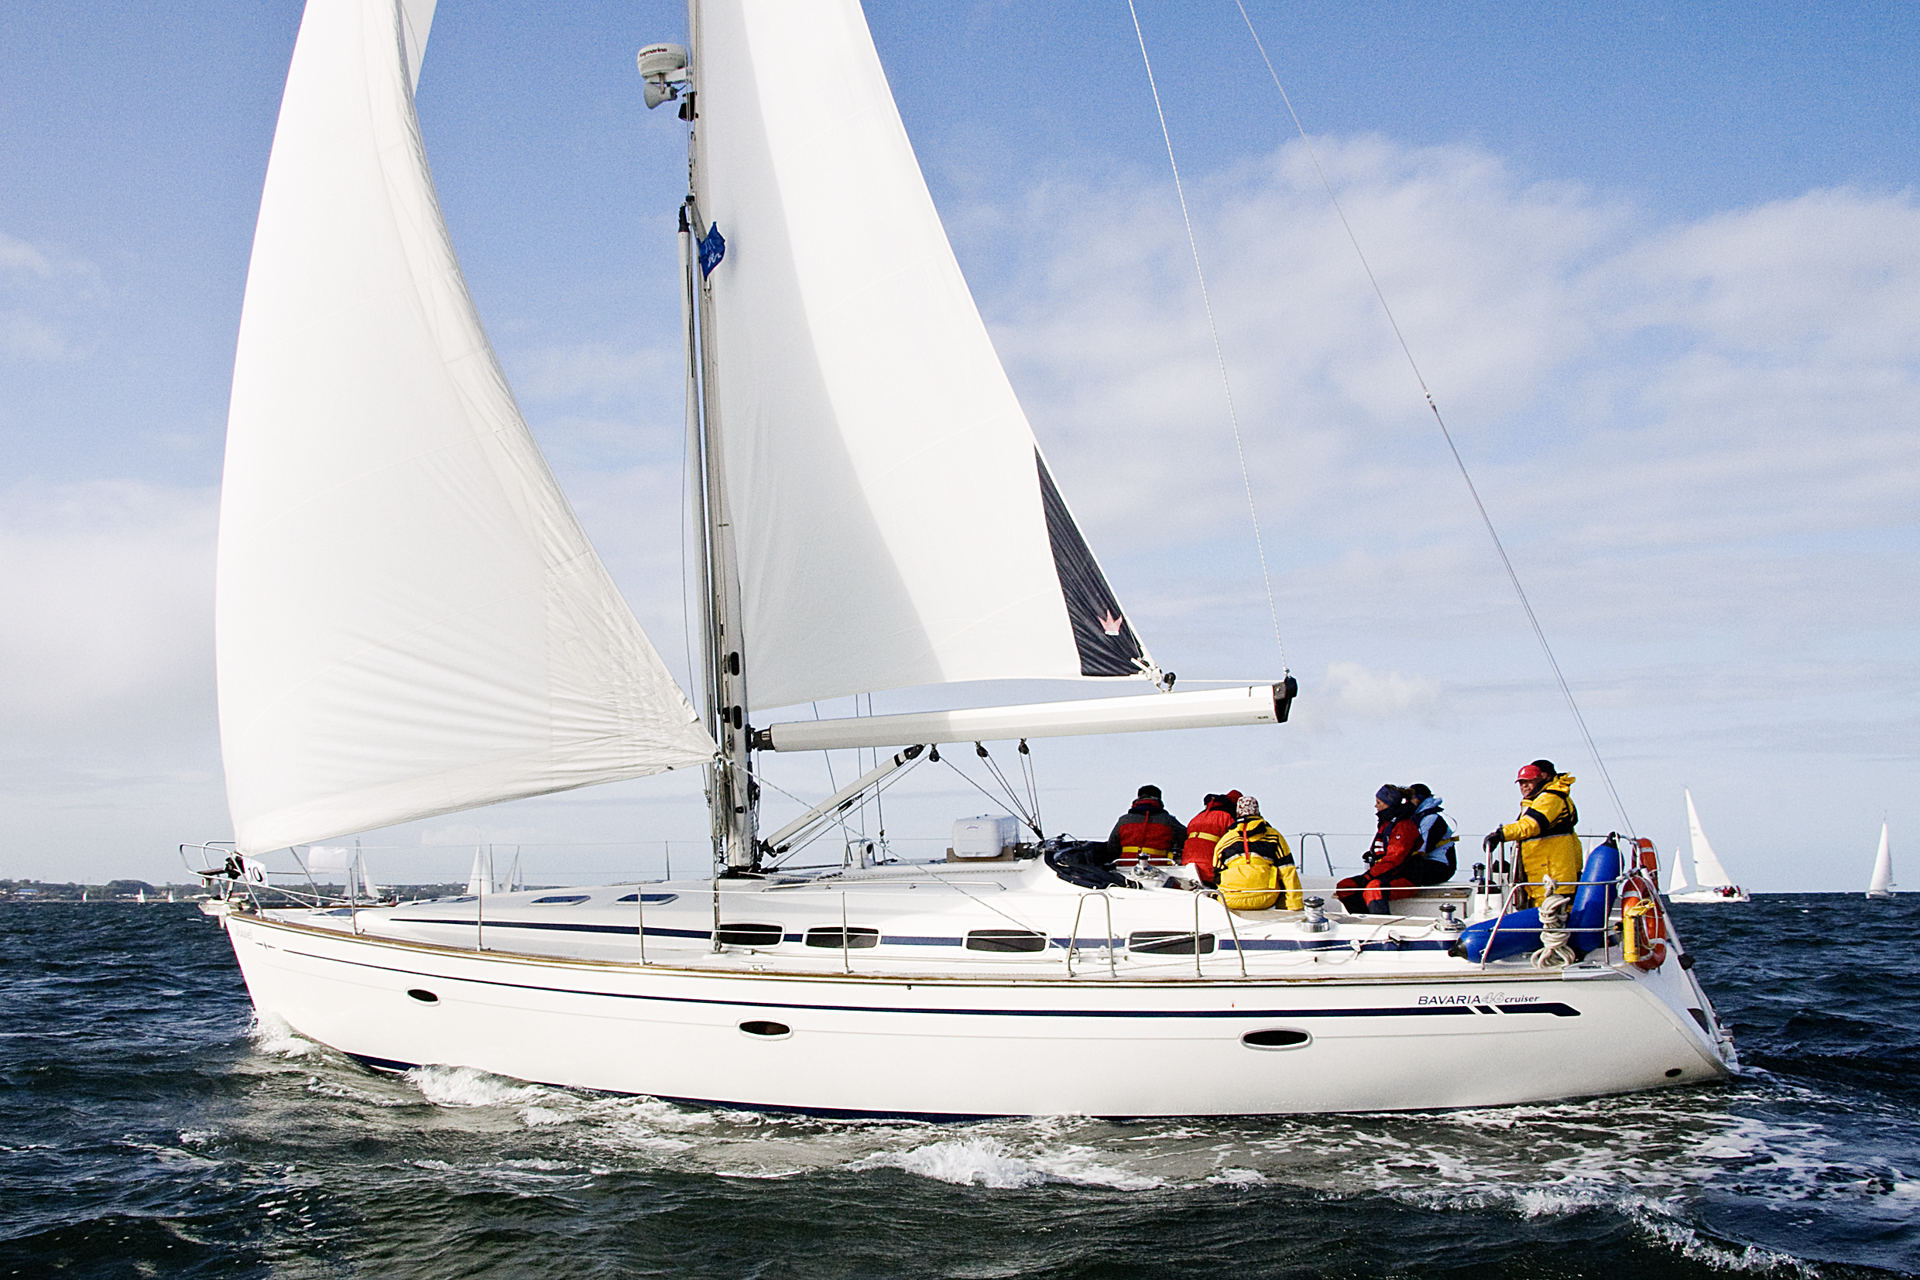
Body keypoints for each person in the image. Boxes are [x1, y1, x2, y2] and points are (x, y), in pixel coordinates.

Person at [1482, 760, 1582, 906]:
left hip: (1552, 875)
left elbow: (1531, 825)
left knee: (1554, 913)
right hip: (1543, 874)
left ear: (1542, 777)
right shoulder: (1542, 798)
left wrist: (1501, 834)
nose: (1524, 786)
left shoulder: (1550, 798)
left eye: (1529, 781)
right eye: (1521, 782)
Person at [1336, 784, 1425, 914]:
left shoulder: (1403, 826)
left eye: (1378, 802)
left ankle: (1379, 926)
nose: (1375, 806)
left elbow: (1394, 859)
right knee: (1345, 886)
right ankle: (1362, 920)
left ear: (1388, 804)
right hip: (1383, 874)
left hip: (1405, 877)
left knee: (1374, 888)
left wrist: (1367, 877)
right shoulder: (1387, 823)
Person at [1213, 794, 1303, 910]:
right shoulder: (1274, 836)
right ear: (1258, 812)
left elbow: (1216, 874)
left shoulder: (1226, 839)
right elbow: (1288, 871)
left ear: (1237, 813)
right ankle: (1284, 909)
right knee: (1280, 879)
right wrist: (1296, 906)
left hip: (1230, 899)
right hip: (1265, 898)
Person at [1107, 784, 1186, 866]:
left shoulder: (1124, 820)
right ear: (1159, 799)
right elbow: (1185, 839)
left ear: (1138, 798)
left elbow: (1112, 847)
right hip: (1159, 867)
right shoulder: (1169, 821)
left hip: (1125, 866)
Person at [1180, 791, 1240, 885]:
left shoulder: (1196, 818)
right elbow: (1238, 840)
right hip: (1210, 870)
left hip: (1188, 867)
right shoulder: (1227, 817)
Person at [1406, 783, 1458, 883]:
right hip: (1428, 862)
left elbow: (1421, 849)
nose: (1406, 803)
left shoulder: (1431, 819)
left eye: (1409, 799)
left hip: (1440, 865)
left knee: (1400, 870)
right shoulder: (1418, 817)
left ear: (1417, 799)